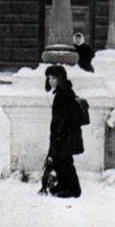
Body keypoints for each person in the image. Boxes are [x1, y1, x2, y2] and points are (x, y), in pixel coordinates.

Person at [45, 65, 83, 198]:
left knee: (65, 161)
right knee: (59, 160)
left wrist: (55, 134)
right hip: (66, 133)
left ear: (60, 78)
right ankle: (63, 184)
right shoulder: (64, 91)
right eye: (49, 78)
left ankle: (74, 189)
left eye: (54, 78)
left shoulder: (62, 95)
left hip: (65, 134)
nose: (50, 81)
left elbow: (59, 119)